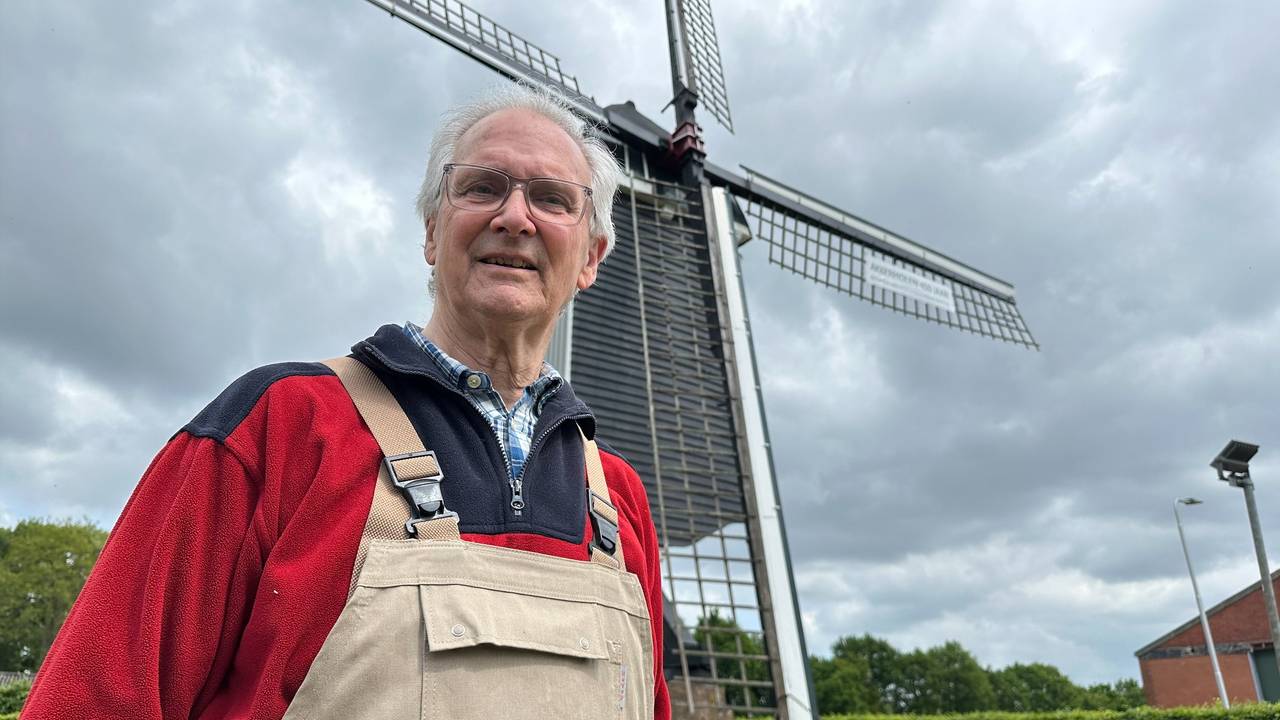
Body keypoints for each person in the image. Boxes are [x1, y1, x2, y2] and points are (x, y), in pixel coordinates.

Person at [24, 84, 671, 720]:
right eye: (481, 188)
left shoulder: (620, 499)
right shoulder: (278, 427)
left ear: (590, 257)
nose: (513, 217)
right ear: (431, 230)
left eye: (553, 199)